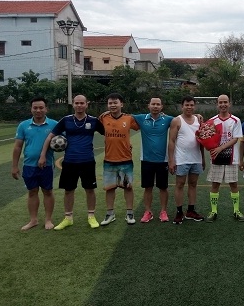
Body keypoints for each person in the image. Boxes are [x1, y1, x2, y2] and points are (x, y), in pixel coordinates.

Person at [38, 94, 105, 230]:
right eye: (77, 103)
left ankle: (91, 217)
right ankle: (68, 218)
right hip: (69, 162)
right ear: (73, 104)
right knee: (68, 190)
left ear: (87, 104)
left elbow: (108, 133)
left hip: (87, 161)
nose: (79, 105)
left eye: (82, 103)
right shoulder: (66, 120)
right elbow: (50, 137)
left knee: (90, 190)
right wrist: (42, 155)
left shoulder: (93, 121)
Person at [12, 97, 58, 231]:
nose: (38, 110)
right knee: (32, 192)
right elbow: (17, 147)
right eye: (35, 108)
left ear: (46, 109)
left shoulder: (54, 124)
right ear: (31, 109)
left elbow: (63, 141)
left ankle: (48, 220)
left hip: (47, 165)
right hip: (29, 165)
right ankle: (33, 220)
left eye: (41, 107)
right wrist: (14, 166)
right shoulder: (23, 125)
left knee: (47, 191)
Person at [98, 93, 140, 226]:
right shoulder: (103, 118)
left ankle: (129, 213)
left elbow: (141, 125)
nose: (112, 105)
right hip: (109, 159)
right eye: (110, 103)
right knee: (110, 188)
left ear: (121, 104)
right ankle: (110, 214)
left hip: (125, 159)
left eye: (115, 102)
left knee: (127, 187)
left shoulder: (129, 119)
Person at [204, 95, 244, 222]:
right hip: (216, 157)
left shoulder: (235, 120)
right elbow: (207, 137)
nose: (223, 104)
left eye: (225, 102)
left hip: (231, 158)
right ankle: (214, 211)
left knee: (233, 184)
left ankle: (236, 210)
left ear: (229, 104)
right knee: (215, 184)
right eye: (220, 102)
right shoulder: (212, 121)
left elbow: (235, 138)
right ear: (217, 104)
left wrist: (221, 148)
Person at [133, 97, 172, 223]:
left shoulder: (167, 119)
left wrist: (197, 115)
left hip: (163, 160)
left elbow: (183, 119)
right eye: (153, 104)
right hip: (146, 160)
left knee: (163, 187)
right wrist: (107, 113)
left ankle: (163, 211)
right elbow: (123, 116)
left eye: (158, 104)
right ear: (148, 106)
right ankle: (148, 211)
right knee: (148, 187)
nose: (155, 106)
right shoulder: (141, 118)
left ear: (161, 107)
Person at [168, 96, 206, 224]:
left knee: (193, 184)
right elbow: (171, 141)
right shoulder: (176, 121)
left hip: (196, 159)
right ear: (182, 106)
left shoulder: (198, 120)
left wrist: (202, 158)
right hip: (181, 159)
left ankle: (191, 210)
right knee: (179, 185)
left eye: (191, 105)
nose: (189, 107)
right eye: (186, 105)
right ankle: (179, 212)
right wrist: (171, 160)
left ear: (194, 106)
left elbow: (201, 141)